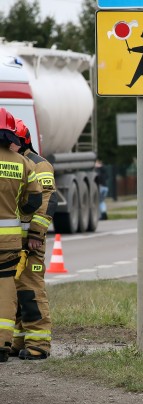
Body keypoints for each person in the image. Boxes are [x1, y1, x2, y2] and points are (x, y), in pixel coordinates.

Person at [11, 119, 56, 360]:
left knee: (30, 291)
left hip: (31, 242)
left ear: (22, 141)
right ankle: (18, 341)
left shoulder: (40, 166)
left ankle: (39, 344)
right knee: (15, 293)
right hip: (12, 241)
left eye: (11, 142)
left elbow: (48, 200)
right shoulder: (14, 162)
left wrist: (36, 235)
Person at [0, 108, 42, 362]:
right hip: (8, 242)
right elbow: (34, 200)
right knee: (5, 288)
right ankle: (3, 343)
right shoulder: (23, 163)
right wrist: (17, 209)